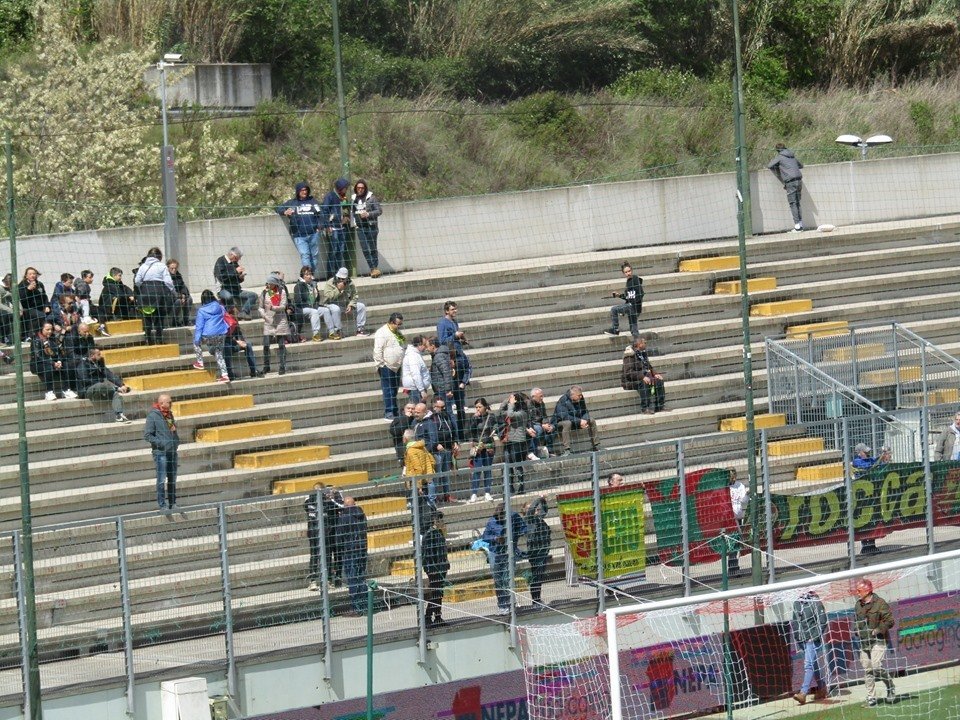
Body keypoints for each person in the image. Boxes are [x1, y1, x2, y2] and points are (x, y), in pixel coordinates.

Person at [853, 579, 896, 707]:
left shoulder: (880, 603)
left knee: (876, 666)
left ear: (867, 590)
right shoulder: (858, 605)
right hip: (864, 642)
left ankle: (890, 686)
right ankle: (871, 697)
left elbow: (890, 621)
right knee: (868, 669)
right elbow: (856, 621)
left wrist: (878, 630)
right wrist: (857, 631)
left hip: (878, 640)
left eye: (859, 590)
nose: (857, 593)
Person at [481, 503, 527, 616]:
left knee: (508, 578)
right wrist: (496, 538)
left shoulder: (514, 517)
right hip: (495, 553)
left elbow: (524, 528)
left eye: (502, 516)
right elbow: (485, 537)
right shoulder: (492, 521)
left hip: (509, 552)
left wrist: (517, 534)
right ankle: (502, 605)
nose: (500, 519)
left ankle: (511, 603)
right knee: (498, 580)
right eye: (498, 517)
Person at [437, 301, 471, 437]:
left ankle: (462, 432)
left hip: (458, 357)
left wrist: (461, 340)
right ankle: (455, 434)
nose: (455, 311)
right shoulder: (442, 323)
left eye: (456, 309)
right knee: (451, 403)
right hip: (451, 360)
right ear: (446, 311)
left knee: (460, 403)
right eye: (452, 309)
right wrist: (455, 336)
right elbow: (442, 341)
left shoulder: (454, 322)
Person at [792, 590, 831, 705]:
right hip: (801, 640)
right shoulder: (796, 603)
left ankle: (803, 693)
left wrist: (814, 637)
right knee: (813, 664)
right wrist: (797, 637)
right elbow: (795, 622)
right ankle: (822, 688)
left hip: (812, 639)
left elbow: (823, 621)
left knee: (808, 664)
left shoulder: (815, 601)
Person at [144, 393, 181, 512]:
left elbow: (173, 431)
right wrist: (161, 443)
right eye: (169, 402)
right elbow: (148, 435)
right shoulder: (152, 416)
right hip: (161, 453)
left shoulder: (169, 415)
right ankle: (162, 504)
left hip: (172, 451)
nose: (171, 404)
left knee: (172, 478)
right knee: (161, 480)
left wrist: (175, 442)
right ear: (161, 403)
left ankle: (173, 503)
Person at [75, 347, 131, 423]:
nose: (100, 356)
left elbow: (109, 374)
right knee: (101, 385)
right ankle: (115, 389)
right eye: (98, 354)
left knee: (116, 395)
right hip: (87, 391)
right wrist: (115, 387)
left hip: (101, 389)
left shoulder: (99, 362)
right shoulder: (82, 364)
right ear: (92, 356)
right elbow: (85, 380)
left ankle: (119, 415)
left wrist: (121, 384)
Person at [852, 444, 890, 556]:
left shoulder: (869, 459)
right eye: (865, 452)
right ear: (859, 453)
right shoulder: (857, 462)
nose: (867, 454)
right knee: (864, 521)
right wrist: (878, 460)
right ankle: (865, 546)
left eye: (868, 452)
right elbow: (869, 467)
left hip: (872, 495)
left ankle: (872, 545)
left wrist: (883, 455)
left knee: (873, 520)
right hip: (862, 496)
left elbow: (878, 462)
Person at [277, 182, 323, 273]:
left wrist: (319, 226)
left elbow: (321, 214)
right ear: (298, 191)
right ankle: (307, 275)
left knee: (314, 256)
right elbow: (278, 208)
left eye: (306, 190)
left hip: (313, 233)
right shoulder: (292, 202)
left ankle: (311, 275)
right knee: (305, 255)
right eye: (302, 190)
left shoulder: (313, 201)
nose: (304, 192)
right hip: (299, 235)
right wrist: (285, 212)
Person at [134, 247, 175, 345]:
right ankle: (159, 338)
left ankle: (148, 339)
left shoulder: (143, 266)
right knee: (159, 317)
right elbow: (168, 282)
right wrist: (173, 291)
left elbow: (137, 281)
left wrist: (144, 287)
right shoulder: (162, 266)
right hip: (159, 293)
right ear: (159, 256)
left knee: (147, 317)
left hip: (145, 293)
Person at [337, 497, 369, 615]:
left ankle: (356, 607)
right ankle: (364, 605)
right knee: (361, 577)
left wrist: (340, 550)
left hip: (350, 551)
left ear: (345, 506)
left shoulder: (344, 517)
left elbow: (339, 537)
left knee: (352, 578)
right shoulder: (362, 514)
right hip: (362, 549)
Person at [192, 289, 230, 382]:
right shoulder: (220, 307)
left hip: (208, 335)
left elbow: (199, 327)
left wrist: (197, 340)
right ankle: (225, 375)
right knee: (219, 353)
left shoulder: (201, 310)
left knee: (196, 343)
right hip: (221, 334)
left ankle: (200, 362)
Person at [373, 312, 406, 420]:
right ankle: (389, 412)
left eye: (400, 324)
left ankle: (394, 410)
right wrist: (381, 365)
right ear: (391, 322)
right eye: (397, 324)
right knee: (388, 389)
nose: (399, 326)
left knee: (395, 389)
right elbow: (377, 350)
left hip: (396, 366)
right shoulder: (382, 332)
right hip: (387, 366)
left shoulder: (397, 332)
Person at [30, 321, 74, 401]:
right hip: (38, 364)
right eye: (47, 329)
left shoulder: (54, 339)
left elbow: (61, 352)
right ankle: (49, 392)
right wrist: (53, 363)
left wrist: (59, 361)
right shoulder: (36, 340)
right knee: (48, 367)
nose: (50, 331)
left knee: (67, 365)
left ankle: (66, 390)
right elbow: (38, 356)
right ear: (42, 329)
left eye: (51, 329)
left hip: (54, 362)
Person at [621, 337, 666, 414]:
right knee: (645, 382)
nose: (646, 344)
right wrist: (642, 377)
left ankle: (659, 406)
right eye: (644, 342)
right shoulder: (630, 355)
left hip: (643, 377)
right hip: (630, 381)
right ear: (639, 344)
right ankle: (645, 408)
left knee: (659, 381)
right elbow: (628, 373)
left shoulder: (643, 353)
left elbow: (649, 366)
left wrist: (655, 374)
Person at [768, 143, 805, 232]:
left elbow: (770, 165)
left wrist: (780, 167)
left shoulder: (780, 157)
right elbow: (801, 165)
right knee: (797, 203)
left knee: (793, 203)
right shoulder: (792, 156)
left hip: (790, 182)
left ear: (778, 150)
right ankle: (800, 224)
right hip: (799, 180)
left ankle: (797, 227)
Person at [421, 511, 450, 627]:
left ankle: (436, 616)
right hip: (434, 569)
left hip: (440, 567)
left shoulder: (439, 533)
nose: (442, 522)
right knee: (435, 593)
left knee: (438, 593)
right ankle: (429, 617)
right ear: (435, 521)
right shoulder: (430, 534)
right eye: (440, 520)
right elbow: (427, 555)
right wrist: (432, 569)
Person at [320, 267, 368, 337]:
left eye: (343, 279)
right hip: (332, 304)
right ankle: (338, 331)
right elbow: (327, 297)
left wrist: (351, 305)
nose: (341, 280)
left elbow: (355, 295)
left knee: (361, 306)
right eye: (339, 278)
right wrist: (338, 289)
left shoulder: (350, 283)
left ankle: (360, 330)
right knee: (336, 309)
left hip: (345, 305)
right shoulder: (330, 283)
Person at [553, 385, 600, 455]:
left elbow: (585, 411)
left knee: (591, 420)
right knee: (567, 423)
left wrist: (585, 420)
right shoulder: (563, 400)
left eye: (581, 395)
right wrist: (579, 421)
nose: (581, 396)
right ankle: (567, 450)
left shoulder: (580, 398)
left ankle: (596, 446)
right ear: (572, 395)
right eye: (579, 395)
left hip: (577, 422)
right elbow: (564, 416)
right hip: (562, 423)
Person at [259, 274, 290, 376]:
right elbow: (260, 307)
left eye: (270, 283)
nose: (268, 284)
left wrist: (273, 308)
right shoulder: (264, 293)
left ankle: (282, 366)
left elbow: (283, 306)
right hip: (269, 321)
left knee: (281, 344)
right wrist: (264, 315)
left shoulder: (282, 292)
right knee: (266, 345)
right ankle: (266, 366)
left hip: (280, 320)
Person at [351, 179, 383, 277]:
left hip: (371, 226)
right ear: (356, 188)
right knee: (365, 249)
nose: (360, 189)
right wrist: (353, 223)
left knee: (372, 248)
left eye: (362, 188)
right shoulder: (353, 198)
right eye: (358, 188)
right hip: (360, 227)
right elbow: (350, 211)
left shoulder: (371, 198)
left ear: (365, 188)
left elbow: (379, 211)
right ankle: (372, 268)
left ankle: (375, 268)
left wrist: (368, 214)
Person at [469, 398, 498, 503]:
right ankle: (474, 493)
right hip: (478, 447)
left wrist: (495, 430)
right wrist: (474, 420)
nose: (478, 409)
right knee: (477, 470)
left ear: (485, 407)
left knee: (487, 470)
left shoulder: (491, 417)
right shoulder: (473, 418)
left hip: (488, 445)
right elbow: (470, 431)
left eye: (480, 407)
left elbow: (496, 425)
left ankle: (487, 492)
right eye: (476, 407)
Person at [213, 247, 257, 318]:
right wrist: (236, 271)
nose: (238, 260)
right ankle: (231, 314)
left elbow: (237, 279)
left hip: (236, 290)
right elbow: (222, 278)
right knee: (228, 296)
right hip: (223, 289)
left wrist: (241, 277)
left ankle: (244, 312)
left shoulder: (234, 263)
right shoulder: (220, 261)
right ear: (232, 255)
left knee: (253, 295)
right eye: (237, 258)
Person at [320, 178, 351, 279]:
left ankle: (339, 273)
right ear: (340, 188)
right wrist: (327, 225)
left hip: (342, 228)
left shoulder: (344, 197)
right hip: (333, 228)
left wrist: (347, 217)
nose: (346, 190)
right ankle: (330, 274)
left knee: (340, 251)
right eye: (345, 188)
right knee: (333, 251)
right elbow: (324, 210)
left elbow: (346, 209)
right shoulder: (330, 196)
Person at [523, 496, 551, 608]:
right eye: (533, 508)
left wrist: (543, 501)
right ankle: (535, 601)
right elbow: (531, 510)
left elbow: (545, 510)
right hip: (536, 553)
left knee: (539, 577)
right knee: (536, 577)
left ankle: (537, 599)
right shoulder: (528, 519)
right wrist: (539, 499)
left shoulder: (538, 519)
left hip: (543, 552)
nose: (536, 510)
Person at [293, 266, 334, 341]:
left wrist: (315, 289)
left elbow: (317, 299)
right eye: (307, 274)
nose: (309, 276)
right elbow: (298, 301)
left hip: (313, 306)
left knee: (326, 310)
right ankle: (316, 334)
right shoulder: (298, 286)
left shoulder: (313, 285)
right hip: (302, 308)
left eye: (310, 274)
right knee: (314, 312)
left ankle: (332, 332)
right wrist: (310, 306)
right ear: (303, 276)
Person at [605, 262, 644, 338]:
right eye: (626, 272)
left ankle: (615, 329)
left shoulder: (635, 279)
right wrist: (619, 295)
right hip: (633, 308)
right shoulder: (628, 282)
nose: (628, 273)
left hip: (633, 307)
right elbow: (629, 297)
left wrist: (632, 305)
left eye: (629, 271)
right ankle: (639, 346)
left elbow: (640, 294)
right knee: (634, 330)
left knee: (614, 309)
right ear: (623, 273)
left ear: (631, 270)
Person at [223, 304, 262, 380]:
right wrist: (237, 341)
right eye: (233, 314)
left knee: (248, 345)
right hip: (226, 344)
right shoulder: (224, 323)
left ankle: (253, 371)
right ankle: (229, 373)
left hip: (233, 344)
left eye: (236, 314)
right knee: (226, 347)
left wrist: (242, 342)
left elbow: (240, 337)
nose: (235, 316)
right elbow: (224, 338)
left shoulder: (235, 323)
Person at [501, 392, 529, 495]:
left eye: (513, 400)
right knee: (509, 464)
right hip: (509, 440)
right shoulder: (511, 408)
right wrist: (507, 400)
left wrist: (511, 404)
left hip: (518, 441)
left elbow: (510, 414)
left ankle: (521, 487)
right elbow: (501, 411)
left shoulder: (522, 413)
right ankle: (511, 487)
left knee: (517, 465)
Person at [431, 397, 458, 504]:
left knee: (446, 474)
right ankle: (436, 496)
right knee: (437, 474)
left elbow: (452, 430)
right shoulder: (431, 418)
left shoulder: (446, 416)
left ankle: (447, 495)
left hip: (447, 448)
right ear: (434, 407)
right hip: (437, 451)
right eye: (439, 407)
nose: (442, 409)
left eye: (443, 407)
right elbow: (431, 434)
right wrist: (436, 444)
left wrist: (455, 442)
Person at [18, 267, 50, 338]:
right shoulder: (22, 285)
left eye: (34, 274)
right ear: (26, 275)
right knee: (40, 315)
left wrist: (46, 306)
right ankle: (31, 336)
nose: (32, 275)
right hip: (28, 308)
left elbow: (44, 296)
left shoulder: (40, 284)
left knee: (52, 316)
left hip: (40, 307)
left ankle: (48, 335)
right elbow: (21, 299)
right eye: (30, 274)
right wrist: (28, 290)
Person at [728, 469, 748, 575]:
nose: (733, 478)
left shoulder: (739, 486)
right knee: (731, 544)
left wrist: (746, 495)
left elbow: (743, 500)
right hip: (728, 520)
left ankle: (734, 567)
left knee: (735, 544)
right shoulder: (724, 487)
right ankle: (733, 568)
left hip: (738, 518)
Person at [401, 335, 431, 403]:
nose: (426, 348)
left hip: (416, 387)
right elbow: (416, 374)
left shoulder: (415, 354)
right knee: (418, 409)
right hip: (416, 388)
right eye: (425, 345)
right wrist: (422, 390)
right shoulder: (413, 356)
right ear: (419, 345)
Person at [527, 388, 555, 459]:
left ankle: (550, 451)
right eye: (540, 396)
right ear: (533, 397)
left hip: (540, 423)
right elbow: (529, 420)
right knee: (538, 429)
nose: (542, 398)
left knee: (552, 427)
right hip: (532, 425)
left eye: (542, 396)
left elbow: (544, 416)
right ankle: (534, 452)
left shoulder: (541, 403)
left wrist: (546, 424)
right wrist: (542, 425)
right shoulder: (528, 405)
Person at [166, 259, 192, 327]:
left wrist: (184, 295)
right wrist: (180, 296)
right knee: (178, 301)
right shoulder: (166, 277)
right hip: (170, 299)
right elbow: (169, 291)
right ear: (168, 267)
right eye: (172, 268)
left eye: (175, 268)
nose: (174, 270)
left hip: (179, 296)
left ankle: (186, 320)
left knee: (189, 299)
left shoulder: (178, 276)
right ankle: (175, 321)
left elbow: (183, 286)